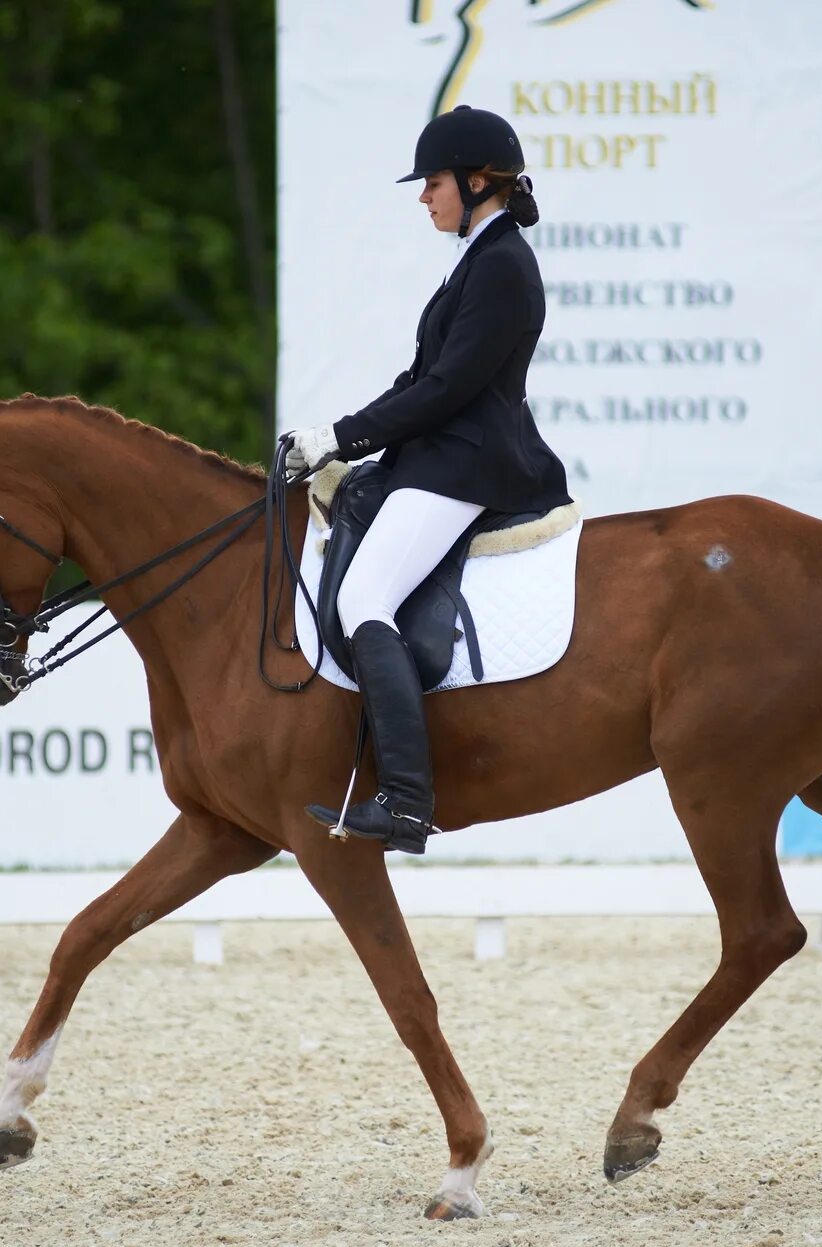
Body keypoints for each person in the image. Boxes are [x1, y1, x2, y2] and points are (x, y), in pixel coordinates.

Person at [281, 105, 574, 854]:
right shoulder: (479, 255)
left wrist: (342, 437)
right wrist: (339, 440)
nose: (425, 197)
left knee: (362, 596)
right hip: (441, 455)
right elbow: (418, 377)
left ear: (479, 182)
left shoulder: (503, 264)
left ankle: (407, 800)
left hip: (468, 462)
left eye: (435, 183)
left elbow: (446, 390)